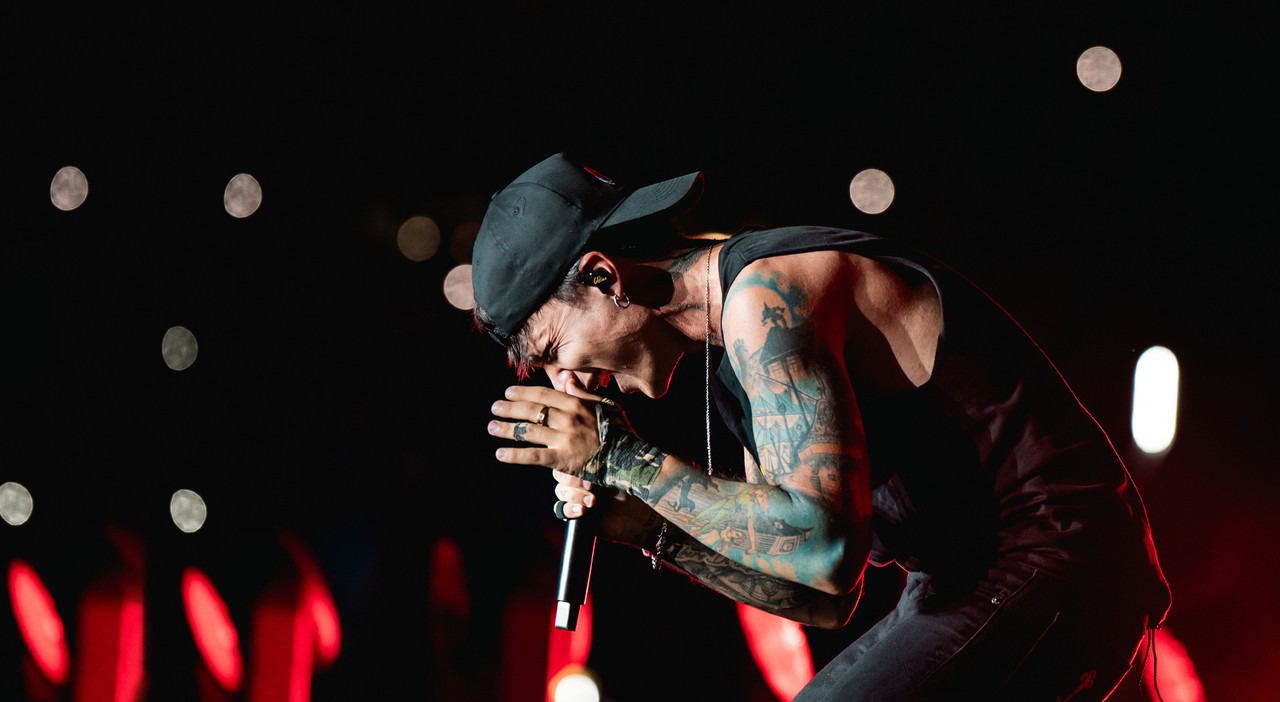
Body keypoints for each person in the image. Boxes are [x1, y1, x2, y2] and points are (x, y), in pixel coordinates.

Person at [471, 152, 1171, 701]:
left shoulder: (767, 295)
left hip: (1054, 556)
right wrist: (652, 529)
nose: (565, 384)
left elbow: (826, 546)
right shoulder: (730, 358)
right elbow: (819, 595)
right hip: (963, 582)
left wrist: (626, 460)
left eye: (554, 351)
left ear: (604, 278)